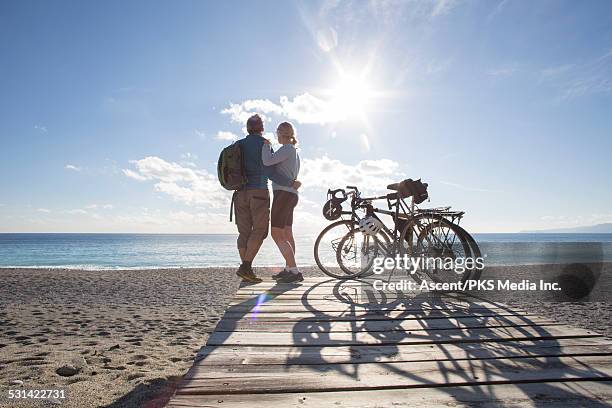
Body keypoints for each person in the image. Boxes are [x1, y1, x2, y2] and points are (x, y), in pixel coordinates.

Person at [234, 114, 301, 284]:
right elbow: (269, 169)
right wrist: (291, 182)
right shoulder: (278, 147)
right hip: (263, 192)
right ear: (261, 129)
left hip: (241, 193)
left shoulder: (238, 145)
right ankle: (289, 269)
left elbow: (269, 163)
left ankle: (289, 269)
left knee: (251, 232)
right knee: (274, 232)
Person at [262, 122, 303, 283]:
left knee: (276, 233)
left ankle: (294, 271)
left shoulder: (286, 149)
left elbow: (267, 161)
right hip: (291, 194)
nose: (276, 136)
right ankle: (289, 268)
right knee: (286, 233)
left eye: (277, 133)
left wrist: (266, 146)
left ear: (280, 133)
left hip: (284, 194)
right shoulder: (293, 151)